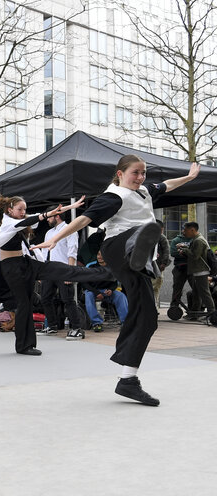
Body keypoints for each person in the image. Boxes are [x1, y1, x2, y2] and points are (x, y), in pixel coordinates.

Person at [35, 155, 200, 405]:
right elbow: (84, 220)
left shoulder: (144, 191)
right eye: (135, 173)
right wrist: (56, 239)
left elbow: (167, 185)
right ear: (120, 173)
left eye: (144, 173)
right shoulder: (114, 196)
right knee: (145, 228)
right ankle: (138, 248)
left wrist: (188, 177)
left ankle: (127, 380)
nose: (141, 177)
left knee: (147, 319)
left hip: (137, 264)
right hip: (116, 247)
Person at [0, 195, 108, 356]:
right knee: (25, 304)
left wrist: (70, 208)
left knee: (62, 269)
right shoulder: (9, 223)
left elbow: (42, 216)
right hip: (13, 269)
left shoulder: (20, 219)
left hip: (27, 263)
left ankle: (107, 273)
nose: (23, 212)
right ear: (10, 210)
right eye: (20, 209)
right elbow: (27, 221)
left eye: (25, 209)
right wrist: (46, 215)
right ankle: (23, 346)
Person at [39, 211, 87, 340]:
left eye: (49, 217)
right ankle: (52, 326)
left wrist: (70, 274)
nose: (47, 220)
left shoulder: (69, 230)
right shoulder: (49, 233)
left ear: (57, 216)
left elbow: (72, 252)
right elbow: (44, 253)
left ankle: (77, 328)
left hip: (64, 269)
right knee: (45, 298)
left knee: (68, 300)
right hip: (49, 269)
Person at [82, 251, 128, 332]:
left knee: (121, 296)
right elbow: (85, 283)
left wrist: (111, 290)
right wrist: (96, 292)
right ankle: (96, 323)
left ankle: (125, 323)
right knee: (88, 296)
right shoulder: (90, 266)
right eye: (98, 254)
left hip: (107, 291)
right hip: (92, 291)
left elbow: (114, 283)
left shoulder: (112, 267)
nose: (100, 256)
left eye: (102, 254)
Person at [179, 222, 215, 320]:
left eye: (185, 230)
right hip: (198, 271)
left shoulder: (199, 240)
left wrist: (185, 250)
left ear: (192, 230)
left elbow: (195, 256)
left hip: (201, 271)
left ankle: (212, 314)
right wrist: (185, 248)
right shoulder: (196, 239)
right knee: (196, 293)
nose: (184, 232)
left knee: (204, 293)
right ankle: (194, 314)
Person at [169, 227, 193, 312]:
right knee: (177, 289)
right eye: (184, 229)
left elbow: (196, 253)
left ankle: (194, 309)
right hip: (179, 268)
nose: (184, 231)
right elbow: (173, 253)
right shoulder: (176, 240)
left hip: (192, 268)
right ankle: (174, 308)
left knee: (196, 289)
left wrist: (182, 251)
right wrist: (187, 253)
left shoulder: (195, 239)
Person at [152, 219, 171, 308]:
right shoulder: (148, 237)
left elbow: (167, 252)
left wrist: (163, 263)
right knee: (152, 287)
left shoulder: (162, 238)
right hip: (149, 266)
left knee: (155, 287)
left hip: (158, 267)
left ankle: (153, 307)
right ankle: (152, 307)